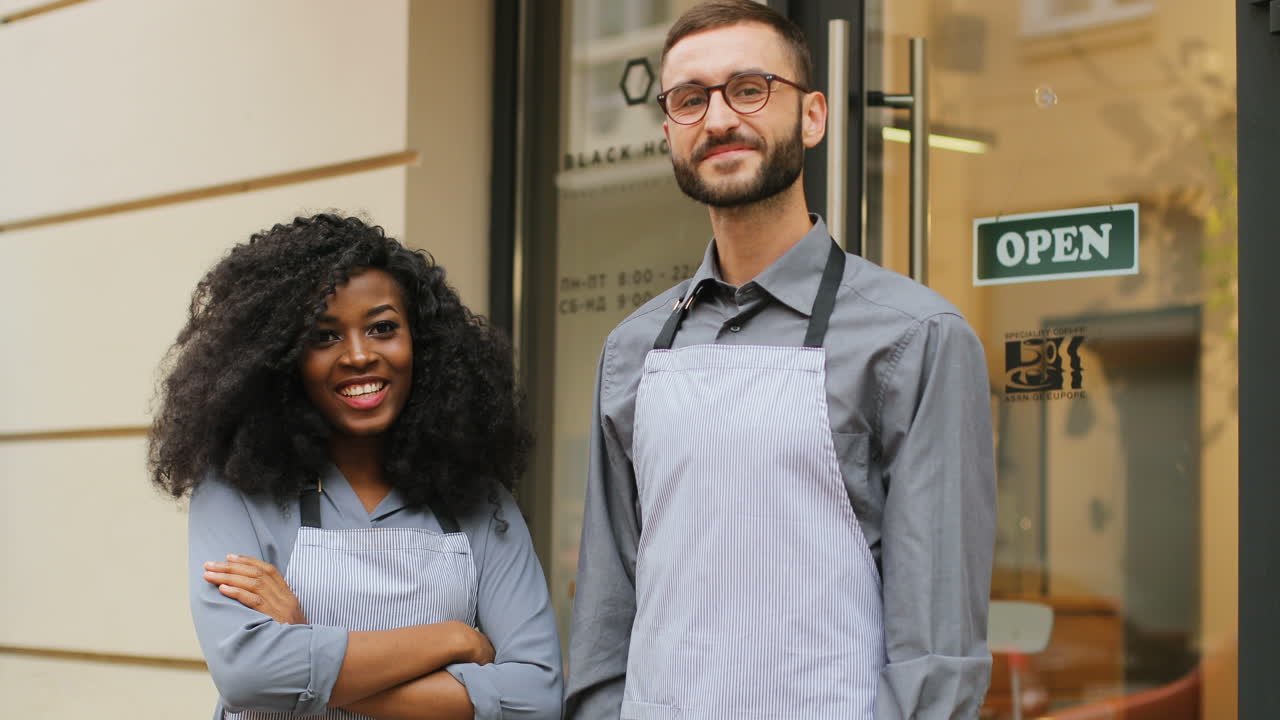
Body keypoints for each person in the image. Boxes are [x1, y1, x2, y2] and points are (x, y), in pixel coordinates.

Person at [564, 2, 996, 718]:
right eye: (691, 99)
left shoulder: (915, 338)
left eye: (750, 89)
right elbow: (606, 626)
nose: (719, 118)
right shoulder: (633, 350)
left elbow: (936, 654)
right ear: (670, 132)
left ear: (814, 116)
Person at [149, 214, 562, 719]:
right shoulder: (236, 491)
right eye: (324, 337)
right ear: (280, 359)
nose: (359, 355)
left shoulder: (479, 501)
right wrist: (451, 640)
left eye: (383, 328)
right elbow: (247, 675)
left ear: (423, 345)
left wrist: (306, 651)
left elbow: (536, 701)